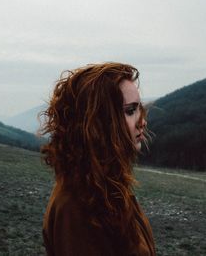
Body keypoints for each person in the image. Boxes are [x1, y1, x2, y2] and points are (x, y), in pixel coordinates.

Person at [40, 62, 156, 256]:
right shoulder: (75, 207)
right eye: (130, 111)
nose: (142, 122)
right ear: (98, 122)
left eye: (139, 109)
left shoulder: (106, 188)